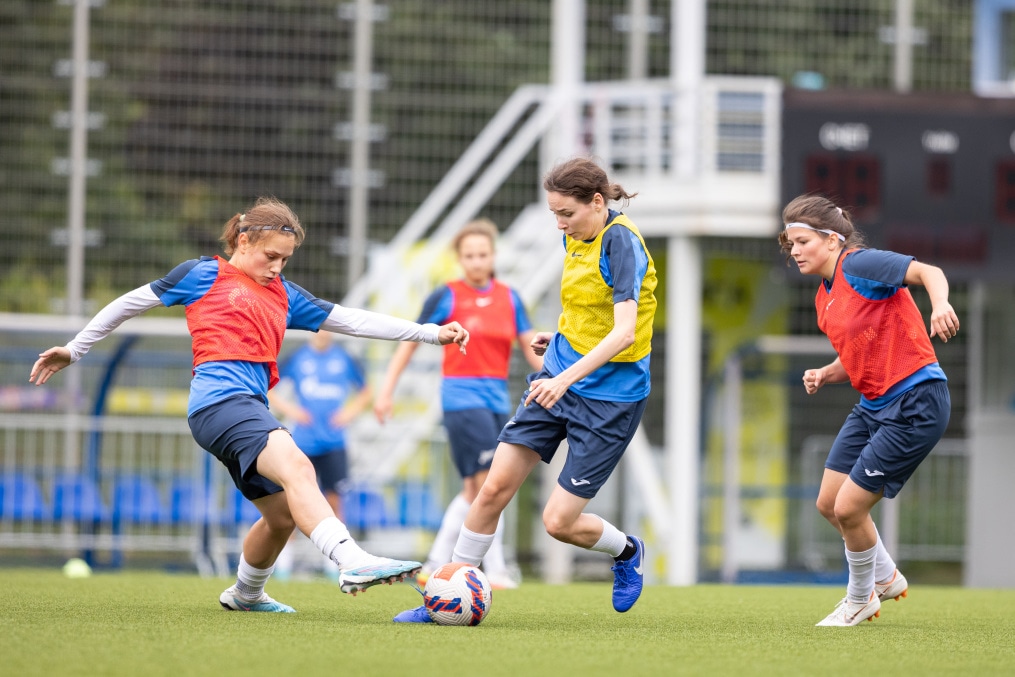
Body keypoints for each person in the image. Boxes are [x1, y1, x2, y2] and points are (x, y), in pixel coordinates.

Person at [29, 196, 469, 613]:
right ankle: (350, 559)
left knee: (281, 516)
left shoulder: (285, 295)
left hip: (244, 409)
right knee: (299, 466)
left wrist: (430, 332)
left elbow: (352, 320)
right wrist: (76, 348)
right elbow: (130, 303)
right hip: (219, 404)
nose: (276, 267)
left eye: (285, 260)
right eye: (270, 256)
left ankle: (246, 592)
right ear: (243, 240)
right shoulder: (203, 275)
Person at [394, 157, 657, 623]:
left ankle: (626, 551)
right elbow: (583, 309)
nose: (560, 224)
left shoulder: (622, 242)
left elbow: (622, 334)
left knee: (558, 523)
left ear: (597, 202)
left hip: (610, 399)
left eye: (567, 214)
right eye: (554, 214)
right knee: (491, 488)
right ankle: (442, 601)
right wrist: (556, 343)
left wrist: (563, 377)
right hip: (557, 378)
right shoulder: (574, 234)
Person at [778, 194, 959, 627]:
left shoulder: (859, 264)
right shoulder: (824, 299)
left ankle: (861, 598)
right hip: (874, 404)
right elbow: (859, 354)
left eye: (802, 241)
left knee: (849, 508)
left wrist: (942, 304)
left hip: (916, 401)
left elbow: (927, 271)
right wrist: (826, 373)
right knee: (828, 502)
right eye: (790, 244)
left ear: (832, 240)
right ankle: (885, 575)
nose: (795, 251)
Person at [373, 218, 543, 590]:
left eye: (483, 254)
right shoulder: (446, 296)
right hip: (462, 399)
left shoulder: (510, 297)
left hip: (498, 400)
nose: (477, 261)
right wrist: (386, 391)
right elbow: (410, 341)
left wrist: (567, 375)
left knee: (473, 490)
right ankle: (495, 569)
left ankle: (433, 564)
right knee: (488, 485)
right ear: (459, 258)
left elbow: (532, 348)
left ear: (494, 256)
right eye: (470, 255)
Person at [267, 330, 372, 581]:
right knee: (291, 501)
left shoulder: (345, 358)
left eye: (328, 327)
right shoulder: (298, 357)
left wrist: (348, 414)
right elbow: (268, 386)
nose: (323, 332)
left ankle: (335, 563)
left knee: (334, 502)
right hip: (303, 443)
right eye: (319, 326)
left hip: (334, 443)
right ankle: (283, 565)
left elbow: (366, 391)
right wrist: (292, 409)